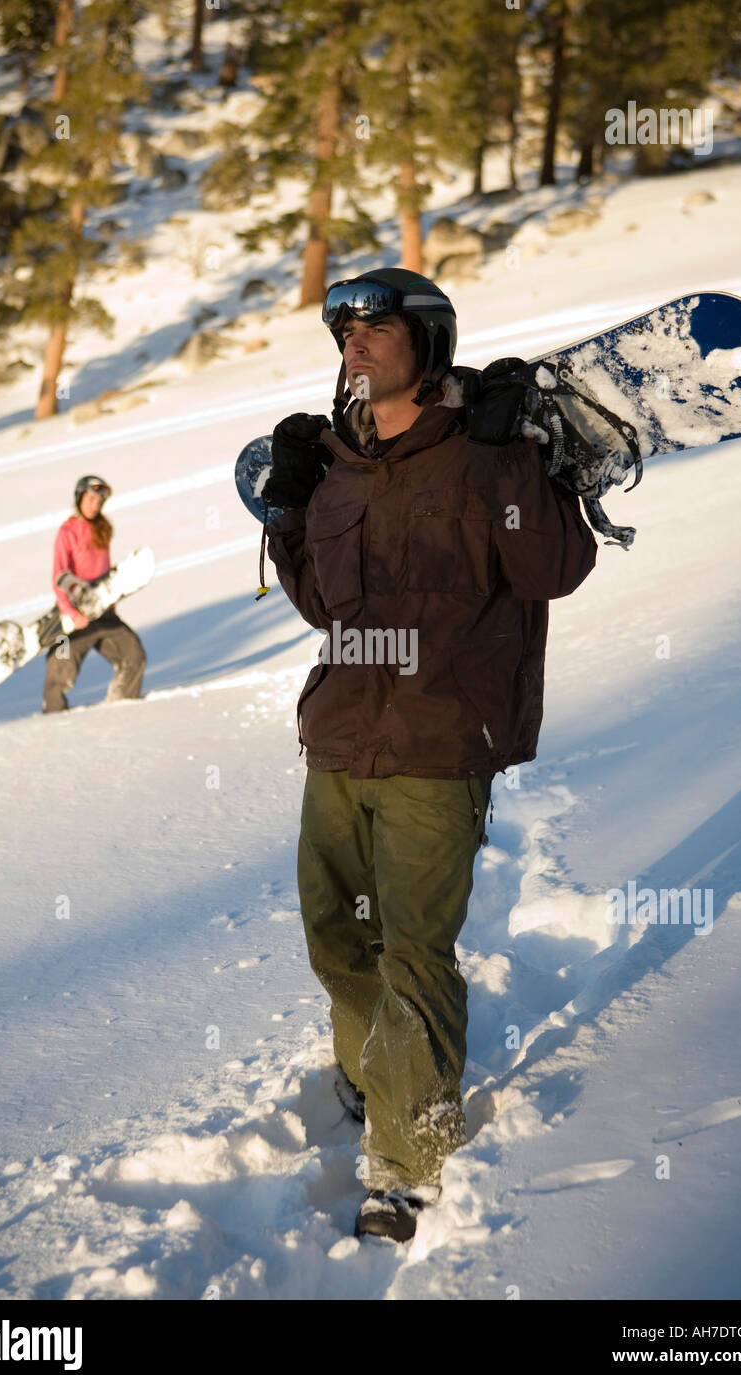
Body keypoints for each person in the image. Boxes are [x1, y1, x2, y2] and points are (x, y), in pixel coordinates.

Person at [263, 268, 597, 1242]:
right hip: (338, 738)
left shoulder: (488, 448)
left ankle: (406, 1158)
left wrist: (506, 457)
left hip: (439, 743)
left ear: (429, 342)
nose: (352, 345)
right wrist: (288, 516)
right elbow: (328, 609)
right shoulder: (340, 466)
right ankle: (378, 1078)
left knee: (413, 948)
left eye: (373, 327)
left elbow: (551, 567)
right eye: (342, 333)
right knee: (336, 940)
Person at [43, 475, 146, 714]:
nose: (95, 504)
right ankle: (52, 720)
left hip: (103, 611)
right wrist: (70, 613)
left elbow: (105, 569)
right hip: (73, 616)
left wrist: (112, 603)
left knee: (134, 656)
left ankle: (123, 707)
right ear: (79, 498)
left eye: (99, 500)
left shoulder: (102, 528)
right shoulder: (67, 532)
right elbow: (59, 575)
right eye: (90, 499)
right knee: (59, 667)